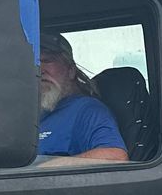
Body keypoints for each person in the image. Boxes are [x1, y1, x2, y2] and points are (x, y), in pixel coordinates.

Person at [36, 32, 127, 168]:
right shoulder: (33, 113)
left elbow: (116, 157)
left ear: (71, 70)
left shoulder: (86, 110)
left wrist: (43, 170)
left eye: (47, 61)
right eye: (35, 63)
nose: (39, 70)